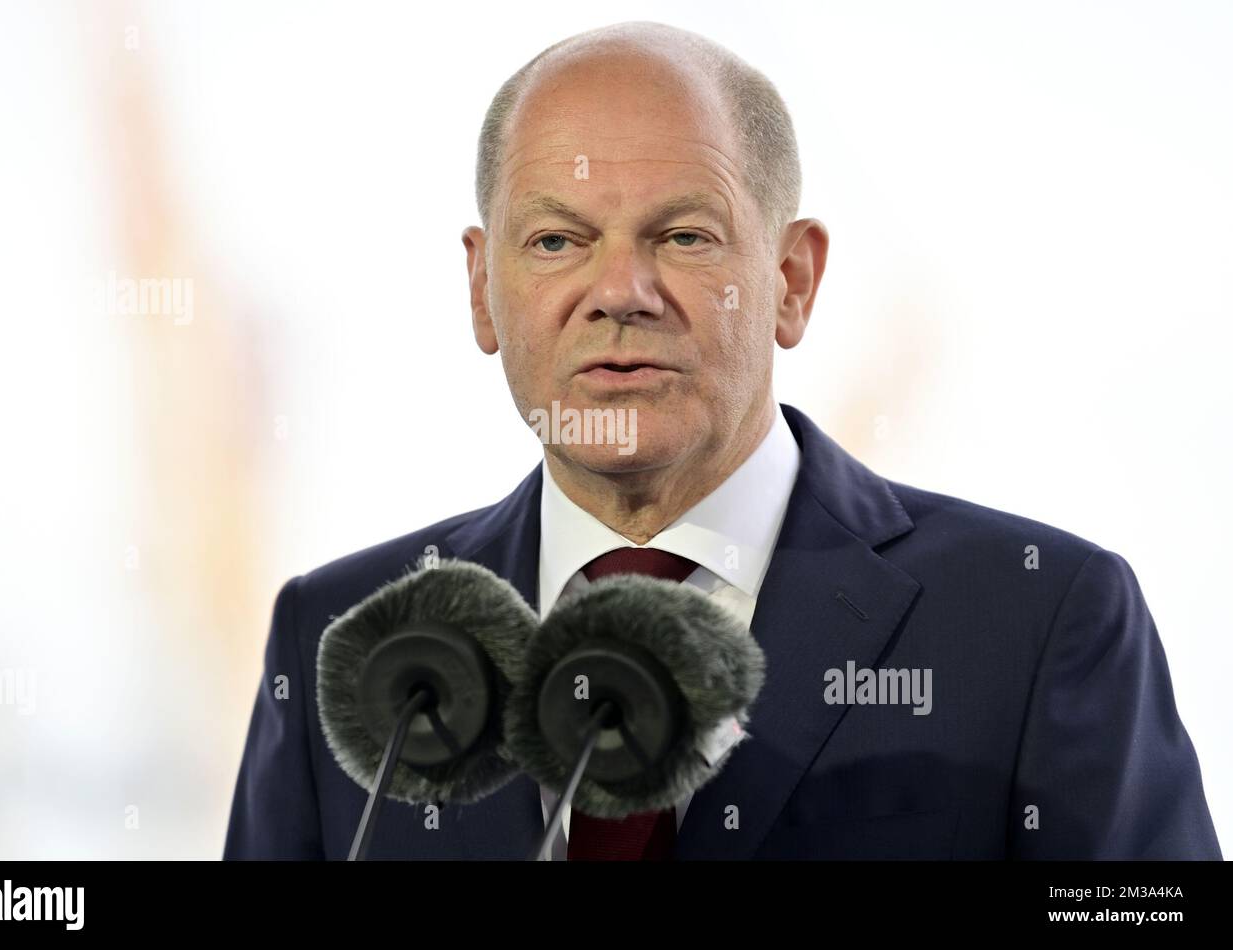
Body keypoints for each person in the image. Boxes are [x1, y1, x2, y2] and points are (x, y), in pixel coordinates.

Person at [223, 21, 1221, 860]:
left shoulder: (1038, 621)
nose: (619, 292)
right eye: (556, 240)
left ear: (792, 279)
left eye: (684, 237)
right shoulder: (342, 639)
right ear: (483, 287)